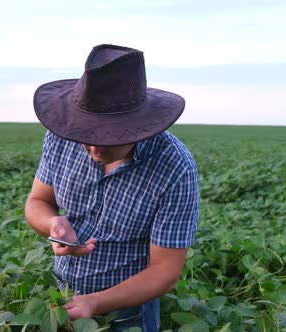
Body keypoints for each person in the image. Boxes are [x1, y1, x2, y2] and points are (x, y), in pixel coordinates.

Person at [24, 44, 200, 332]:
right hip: (62, 298)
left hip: (128, 315)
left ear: (137, 126)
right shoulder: (61, 137)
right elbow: (37, 201)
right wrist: (53, 224)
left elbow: (165, 271)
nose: (93, 147)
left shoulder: (174, 167)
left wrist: (95, 303)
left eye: (108, 137)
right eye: (85, 134)